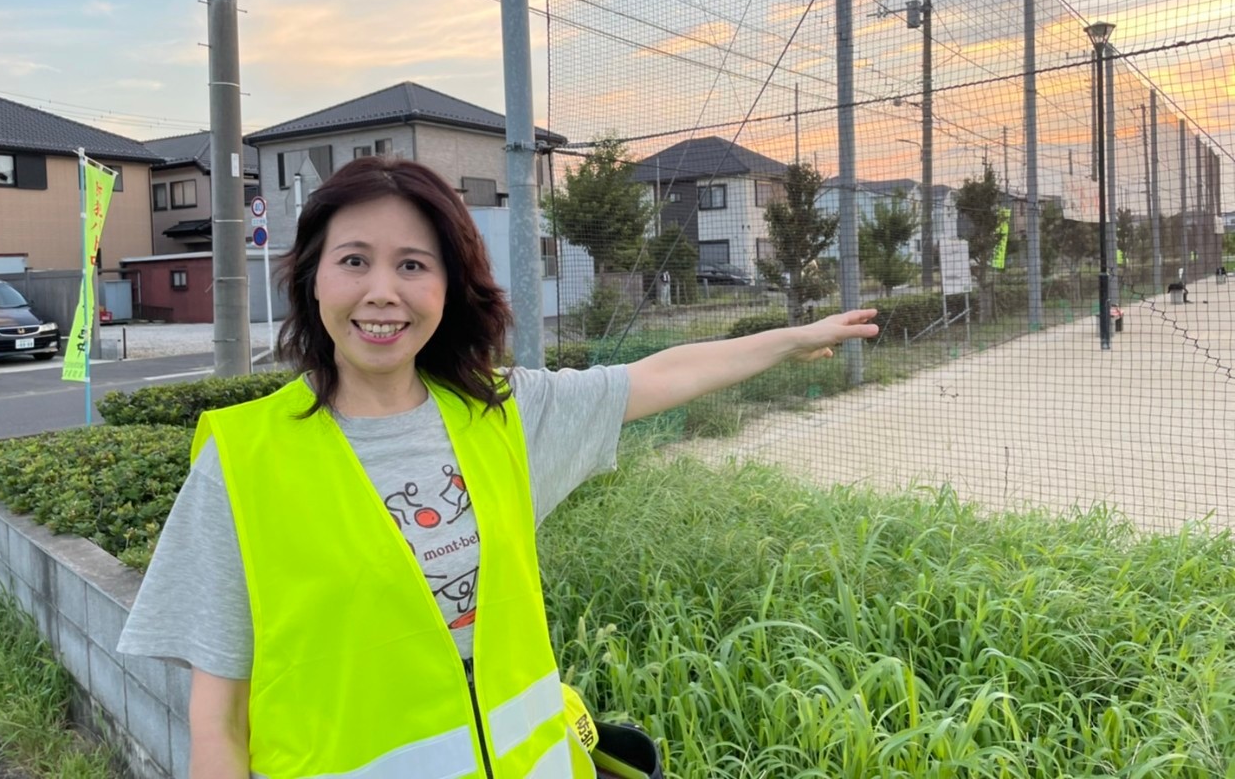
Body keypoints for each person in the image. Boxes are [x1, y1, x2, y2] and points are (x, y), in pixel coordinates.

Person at [117, 156, 878, 779]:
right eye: (355, 261)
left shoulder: (502, 416)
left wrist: (786, 339)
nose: (383, 291)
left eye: (413, 264)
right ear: (313, 279)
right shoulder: (244, 458)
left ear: (447, 288)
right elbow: (216, 715)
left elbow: (655, 377)